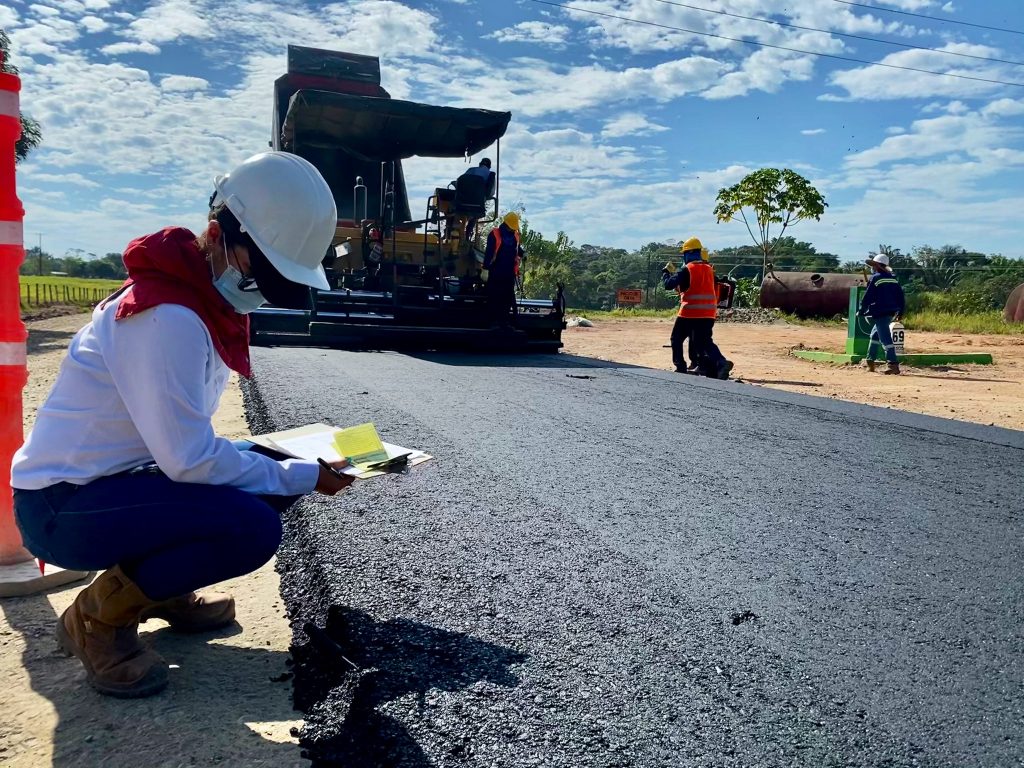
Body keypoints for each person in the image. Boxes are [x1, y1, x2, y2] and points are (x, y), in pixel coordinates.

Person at [10, 151, 355, 699]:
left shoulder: (199, 302)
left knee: (265, 470)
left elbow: (184, 449)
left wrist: (289, 467)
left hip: (120, 481)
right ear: (216, 234)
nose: (261, 291)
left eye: (278, 282)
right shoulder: (165, 316)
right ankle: (98, 618)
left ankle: (162, 589)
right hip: (63, 504)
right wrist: (304, 475)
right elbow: (189, 459)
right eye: (258, 271)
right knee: (252, 526)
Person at [663, 236, 733, 379]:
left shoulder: (686, 269)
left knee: (676, 339)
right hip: (708, 313)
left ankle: (680, 367)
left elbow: (668, 285)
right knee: (704, 341)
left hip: (689, 313)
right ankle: (720, 362)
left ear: (687, 254)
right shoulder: (709, 270)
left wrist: (665, 273)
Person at [858, 252, 906, 374]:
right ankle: (870, 360)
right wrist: (901, 311)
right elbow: (900, 296)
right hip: (890, 312)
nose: (872, 268)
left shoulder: (876, 278)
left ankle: (893, 364)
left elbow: (868, 297)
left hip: (880, 312)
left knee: (885, 339)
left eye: (873, 266)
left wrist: (862, 310)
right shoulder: (893, 278)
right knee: (875, 335)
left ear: (878, 266)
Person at [483, 211, 523, 328]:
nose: (513, 230)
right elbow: (489, 252)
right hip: (496, 271)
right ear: (506, 224)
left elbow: (517, 248)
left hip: (509, 272)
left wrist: (522, 253)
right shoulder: (494, 234)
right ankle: (493, 323)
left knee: (507, 298)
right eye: (511, 227)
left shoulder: (515, 235)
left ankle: (504, 322)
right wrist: (485, 269)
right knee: (495, 297)